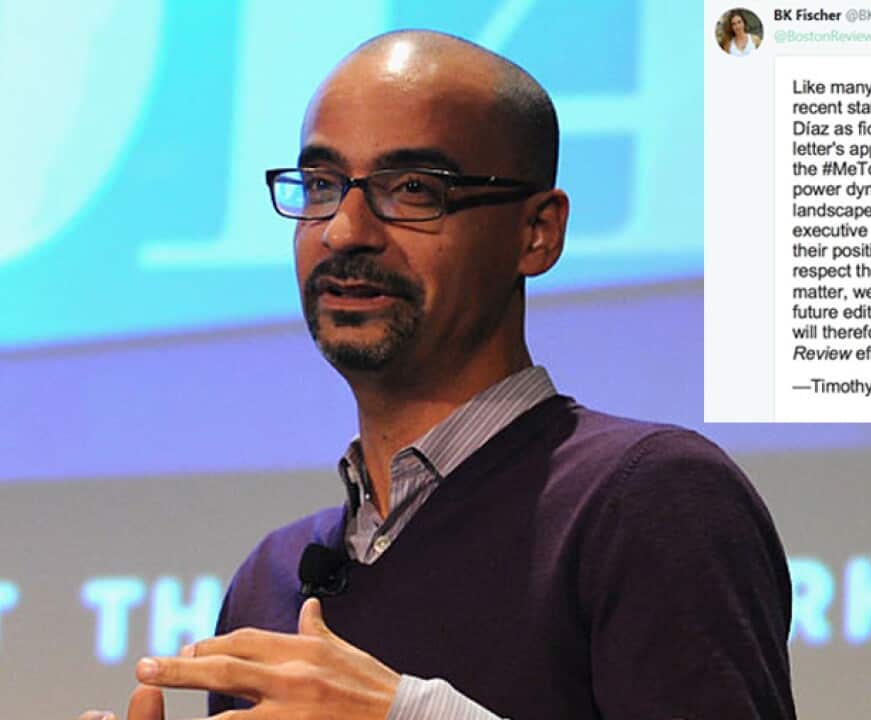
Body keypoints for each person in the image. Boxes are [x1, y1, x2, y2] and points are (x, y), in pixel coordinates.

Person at [80, 29, 795, 720]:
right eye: (322, 185)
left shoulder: (646, 498)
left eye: (414, 189)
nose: (345, 231)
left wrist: (409, 716)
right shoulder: (273, 577)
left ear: (537, 233)